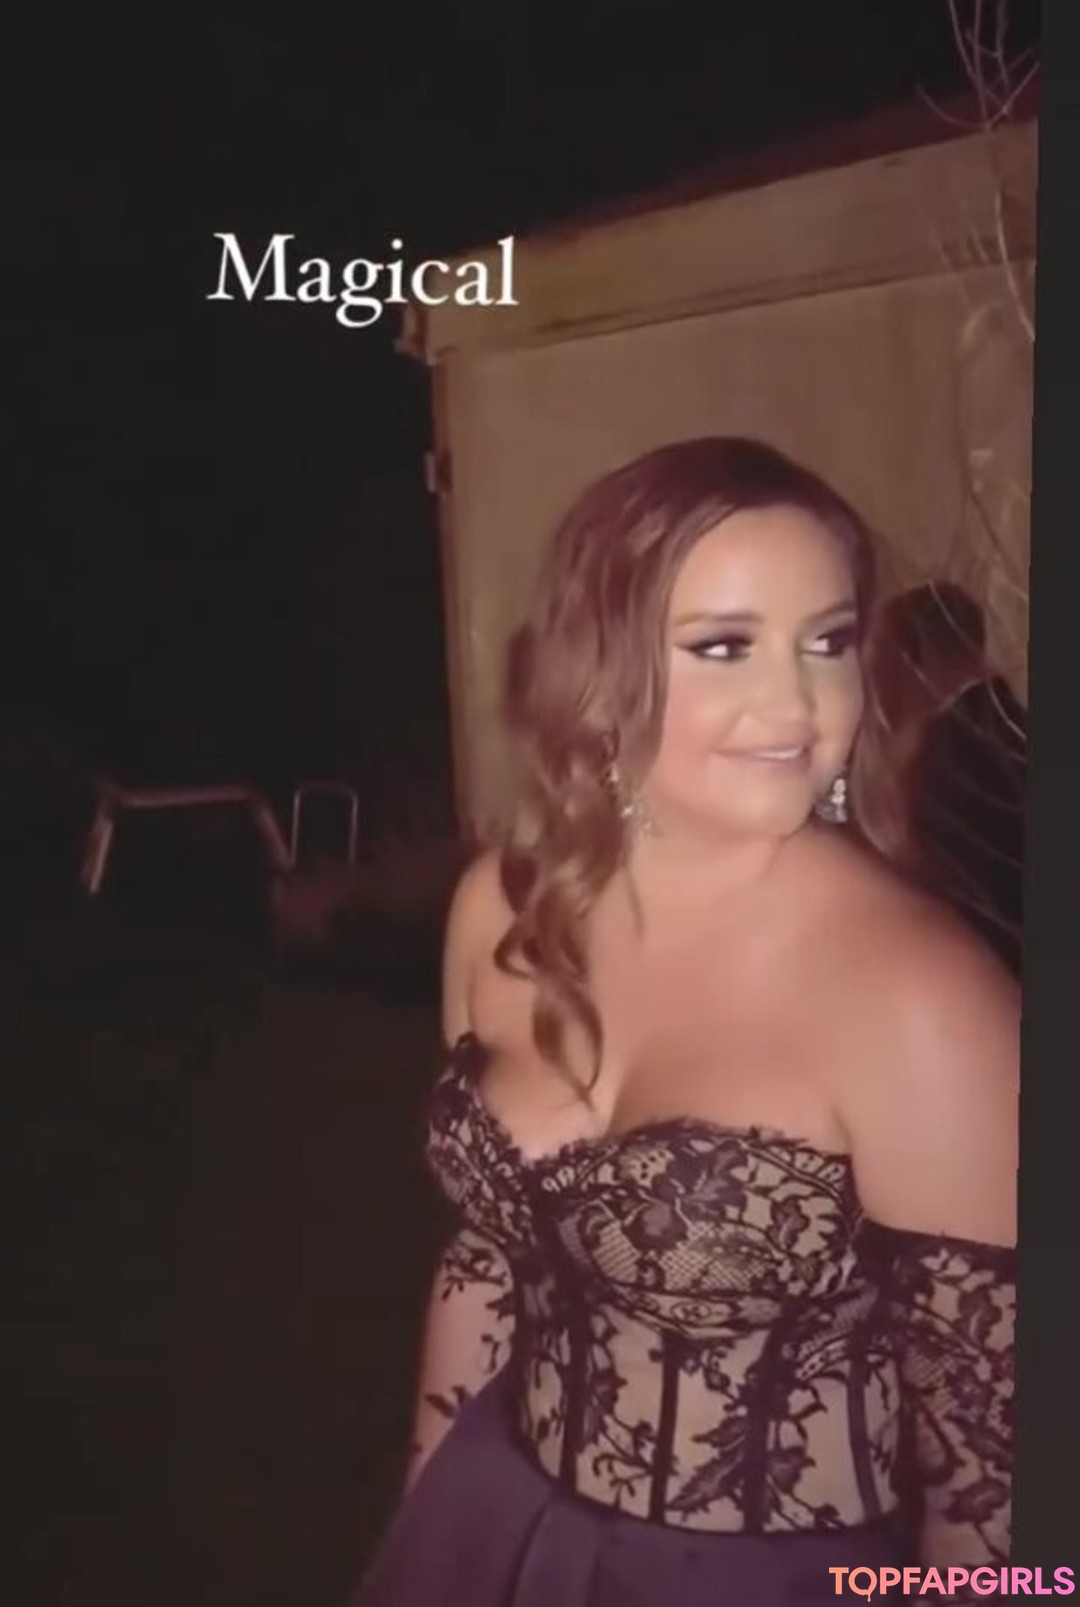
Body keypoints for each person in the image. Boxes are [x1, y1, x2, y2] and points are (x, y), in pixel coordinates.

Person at [353, 438, 1018, 1606]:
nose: (797, 703)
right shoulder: (502, 908)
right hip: (490, 1522)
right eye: (724, 645)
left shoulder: (920, 995)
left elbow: (996, 1483)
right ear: (597, 671)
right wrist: (424, 1514)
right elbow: (487, 1260)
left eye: (828, 641)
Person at [872, 582, 1026, 975]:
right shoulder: (1008, 726)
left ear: (914, 655)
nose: (877, 683)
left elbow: (965, 898)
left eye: (882, 661)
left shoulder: (955, 755)